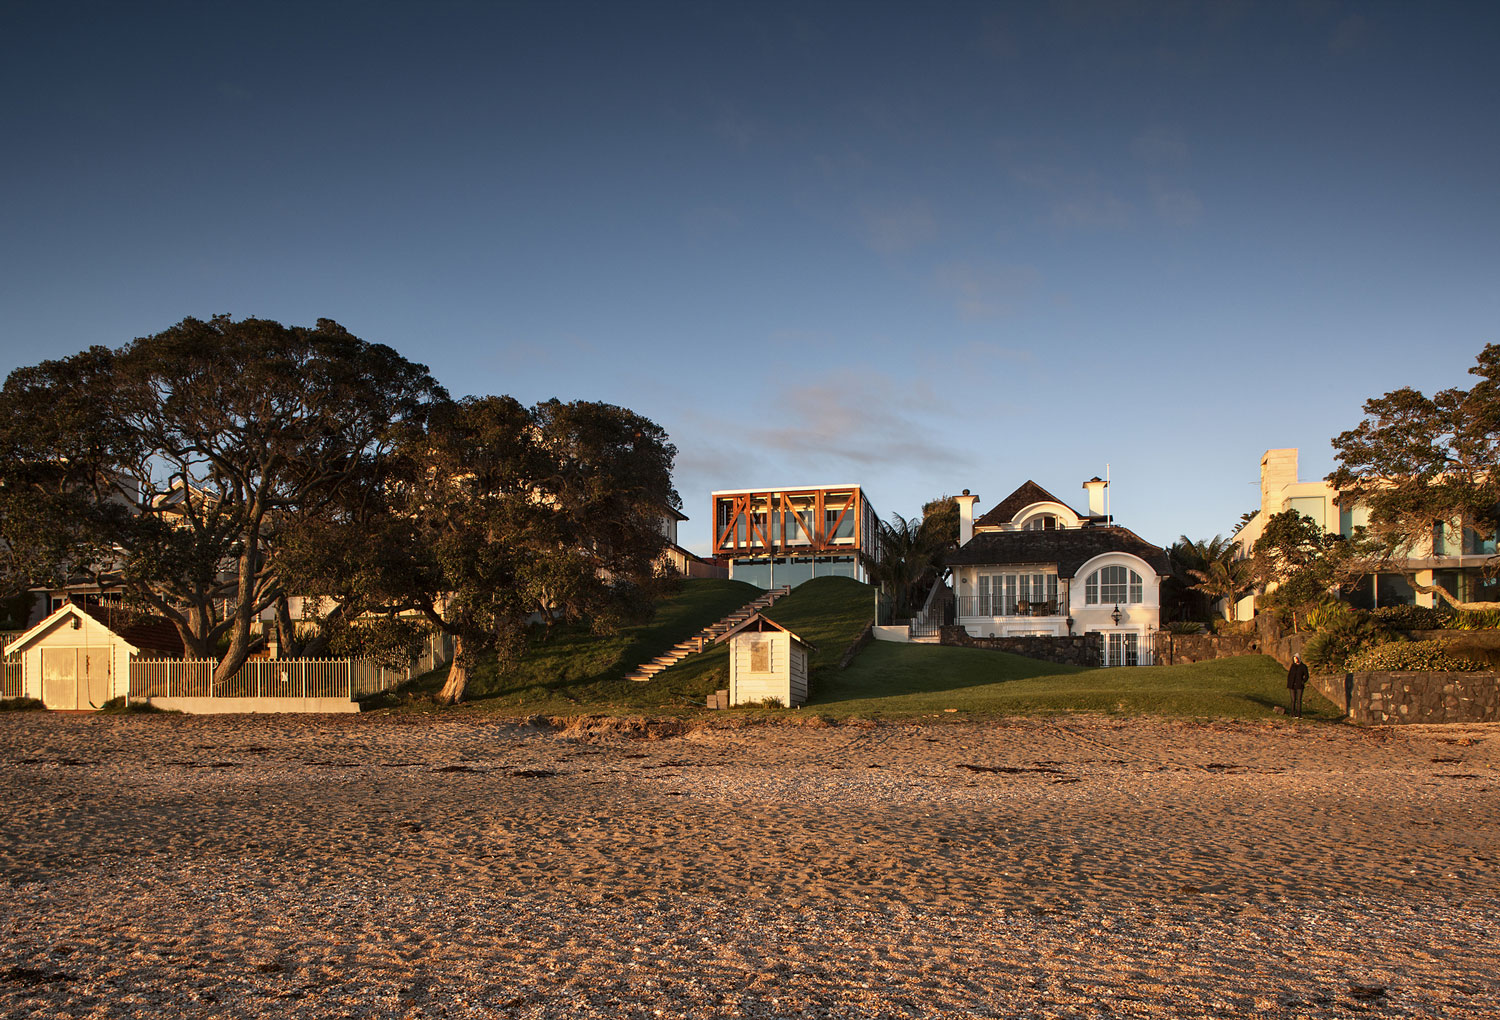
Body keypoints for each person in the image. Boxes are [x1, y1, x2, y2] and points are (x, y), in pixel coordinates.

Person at [1286, 654, 1309, 718]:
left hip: (1299, 685)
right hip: (1292, 685)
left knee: (1299, 700)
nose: (1295, 660)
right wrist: (1289, 683)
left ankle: (1299, 714)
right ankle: (1292, 713)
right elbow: (1290, 675)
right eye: (1294, 659)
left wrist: (1303, 681)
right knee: (1293, 700)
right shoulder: (1293, 666)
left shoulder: (1303, 666)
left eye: (1296, 658)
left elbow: (1306, 676)